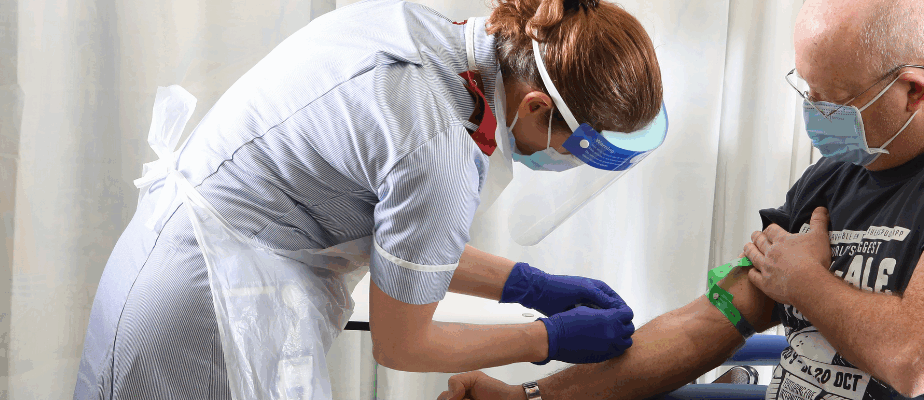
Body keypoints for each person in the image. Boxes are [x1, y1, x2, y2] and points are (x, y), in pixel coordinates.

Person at [440, 0, 924, 398]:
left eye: (828, 101)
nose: (813, 116)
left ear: (914, 93)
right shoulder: (839, 175)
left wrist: (804, 281)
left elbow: (915, 359)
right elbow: (714, 320)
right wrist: (533, 397)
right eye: (804, 91)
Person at [74, 0, 669, 398]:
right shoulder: (441, 146)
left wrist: (531, 286)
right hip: (203, 312)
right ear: (537, 106)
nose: (565, 164)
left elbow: (400, 239)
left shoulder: (423, 34)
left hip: (169, 258)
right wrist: (548, 340)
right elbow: (402, 343)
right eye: (574, 151)